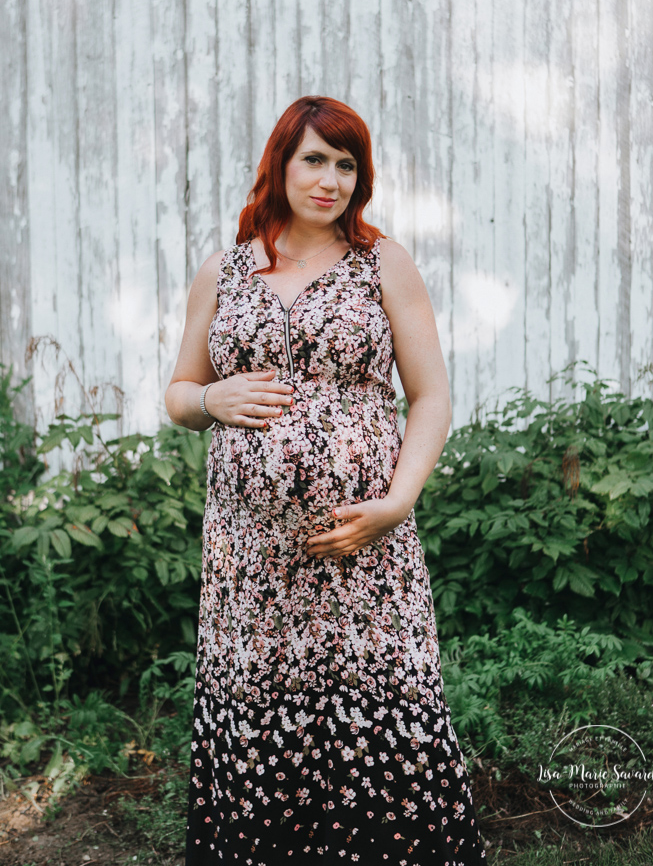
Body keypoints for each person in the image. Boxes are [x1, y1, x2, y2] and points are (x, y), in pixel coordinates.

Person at [165, 95, 488, 864]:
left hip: (362, 546)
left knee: (382, 706)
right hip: (252, 560)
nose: (330, 180)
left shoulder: (383, 263)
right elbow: (178, 393)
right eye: (314, 159)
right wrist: (211, 398)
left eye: (347, 165)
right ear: (279, 163)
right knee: (261, 716)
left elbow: (431, 395)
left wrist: (396, 503)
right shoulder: (227, 269)